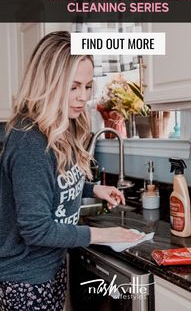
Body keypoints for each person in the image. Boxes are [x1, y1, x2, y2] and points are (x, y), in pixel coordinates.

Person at [0, 31, 142, 311]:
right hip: (24, 281)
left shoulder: (59, 127)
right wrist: (103, 234)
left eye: (88, 87)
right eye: (73, 86)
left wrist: (93, 189)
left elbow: (51, 183)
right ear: (48, 83)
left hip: (48, 268)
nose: (83, 98)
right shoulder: (29, 139)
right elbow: (35, 229)